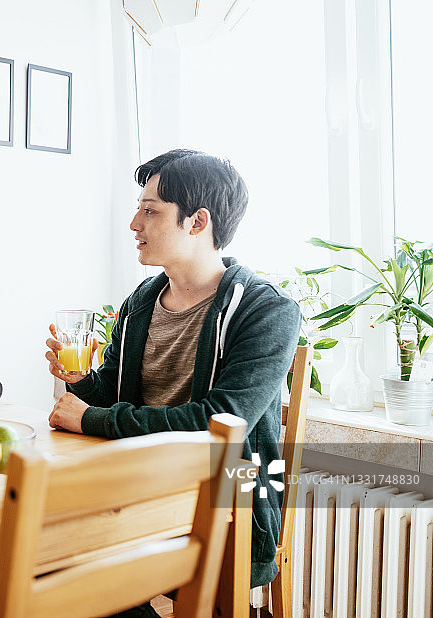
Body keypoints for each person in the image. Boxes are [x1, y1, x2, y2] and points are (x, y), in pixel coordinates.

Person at [45, 150, 301, 596]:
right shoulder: (142, 301)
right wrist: (80, 381)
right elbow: (111, 392)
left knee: (63, 568)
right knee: (40, 551)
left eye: (150, 211)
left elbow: (221, 422)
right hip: (140, 492)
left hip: (229, 511)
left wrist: (90, 419)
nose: (134, 225)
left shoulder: (267, 310)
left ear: (197, 222)